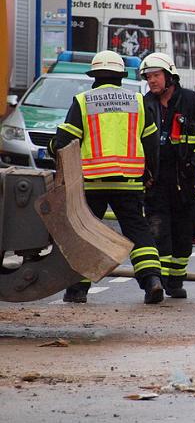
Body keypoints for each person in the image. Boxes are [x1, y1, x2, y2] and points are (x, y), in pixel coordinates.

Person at [50, 51, 164, 304]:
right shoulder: (137, 101)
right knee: (138, 231)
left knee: (86, 234)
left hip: (93, 181)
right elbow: (152, 143)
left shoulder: (83, 101)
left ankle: (78, 290)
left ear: (94, 77)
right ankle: (152, 281)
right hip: (130, 182)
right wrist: (150, 173)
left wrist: (52, 149)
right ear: (121, 76)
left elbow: (64, 141)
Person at [141, 52, 195, 299]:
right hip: (155, 181)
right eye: (148, 77)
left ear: (169, 77)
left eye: (156, 76)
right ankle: (158, 283)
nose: (152, 81)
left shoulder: (193, 102)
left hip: (186, 180)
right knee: (157, 232)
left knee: (183, 234)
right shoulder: (144, 105)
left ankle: (175, 282)